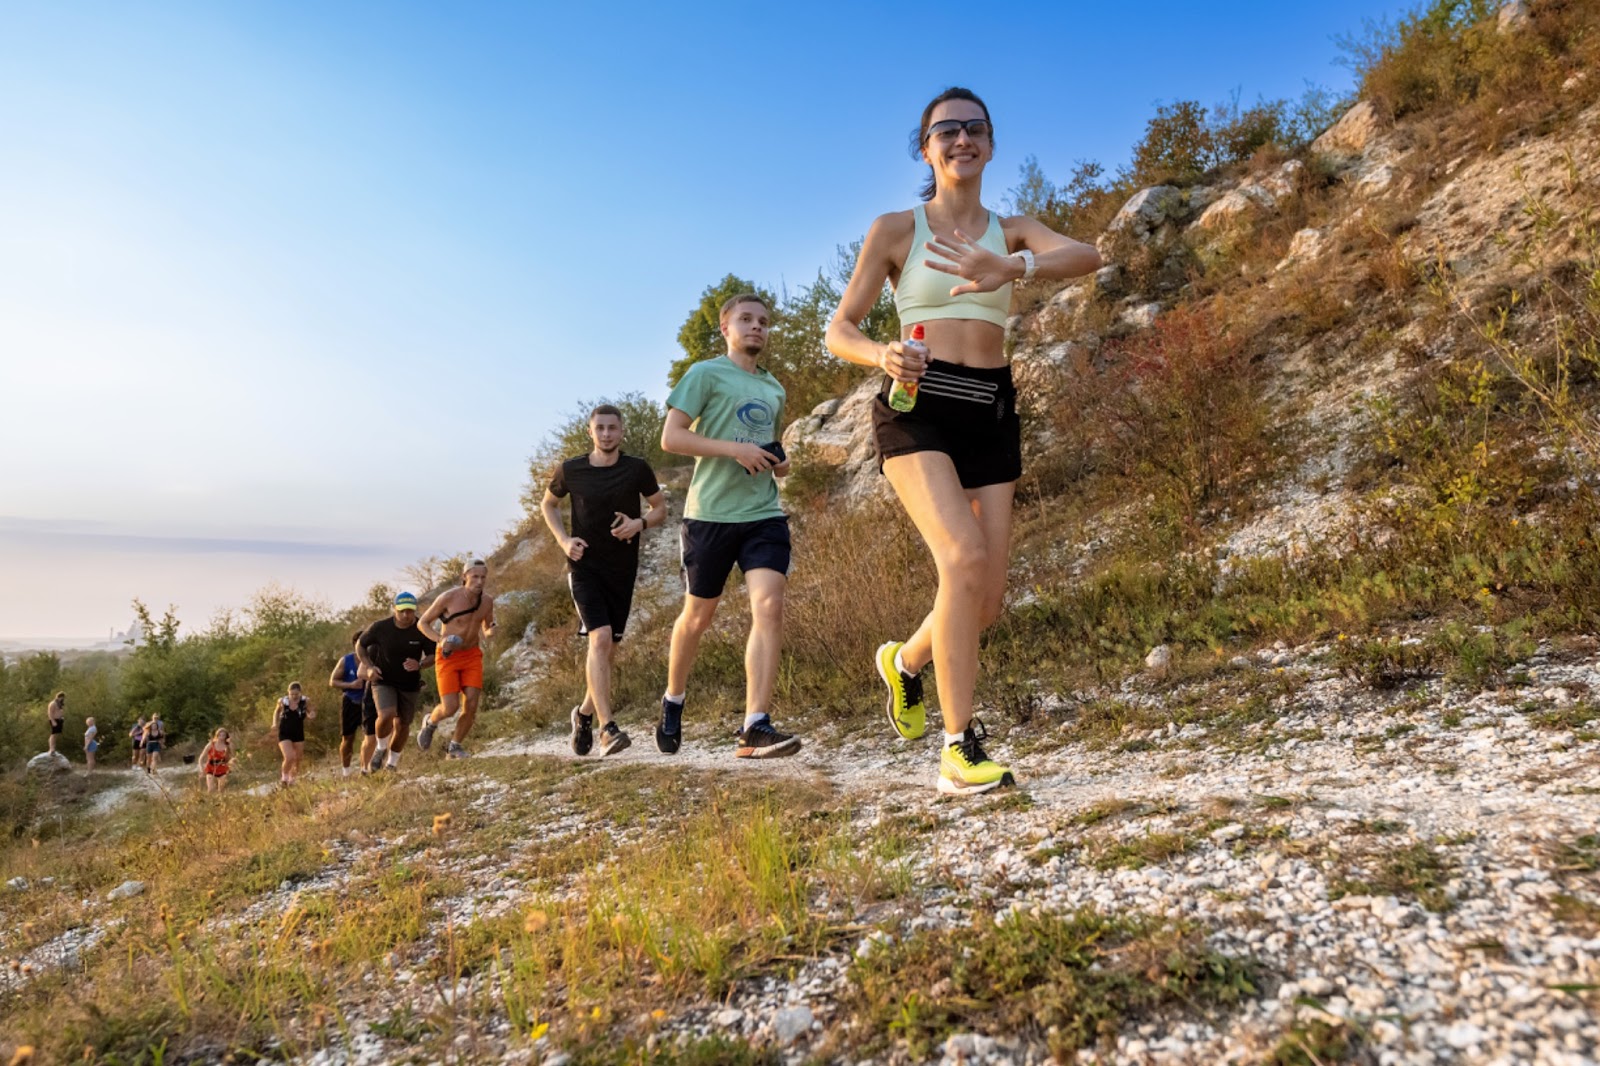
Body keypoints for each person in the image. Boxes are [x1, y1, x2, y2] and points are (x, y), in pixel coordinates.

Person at [825, 87, 1102, 795]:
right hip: (917, 403)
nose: (961, 139)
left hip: (991, 408)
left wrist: (1014, 268)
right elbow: (840, 329)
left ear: (990, 142)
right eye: (945, 130)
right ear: (927, 148)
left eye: (974, 128)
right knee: (962, 555)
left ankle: (905, 663)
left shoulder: (1012, 230)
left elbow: (1087, 254)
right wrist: (880, 355)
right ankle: (959, 747)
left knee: (982, 600)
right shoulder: (895, 229)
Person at [658, 293, 801, 759]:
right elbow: (672, 437)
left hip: (763, 515)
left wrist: (776, 463)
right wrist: (733, 449)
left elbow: (769, 448)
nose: (756, 327)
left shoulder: (775, 388)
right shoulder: (704, 374)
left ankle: (754, 725)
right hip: (710, 515)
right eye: (746, 319)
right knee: (697, 617)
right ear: (725, 328)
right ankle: (674, 698)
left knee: (769, 605)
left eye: (763, 321)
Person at [540, 405, 667, 758]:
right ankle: (607, 729)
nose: (607, 434)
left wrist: (639, 523)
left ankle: (582, 714)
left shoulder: (637, 468)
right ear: (590, 431)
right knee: (599, 638)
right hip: (584, 568)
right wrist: (565, 541)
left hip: (622, 570)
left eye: (613, 428)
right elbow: (548, 505)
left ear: (622, 431)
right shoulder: (570, 470)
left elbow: (660, 509)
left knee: (608, 651)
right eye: (600, 428)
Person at [416, 561, 499, 759]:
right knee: (450, 707)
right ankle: (430, 722)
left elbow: (487, 627)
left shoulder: (487, 601)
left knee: (471, 704)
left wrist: (491, 632)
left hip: (471, 654)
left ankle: (455, 746)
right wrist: (440, 640)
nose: (479, 581)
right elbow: (422, 623)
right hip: (448, 657)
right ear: (464, 578)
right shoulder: (448, 598)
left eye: (483, 577)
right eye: (475, 577)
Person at [355, 592, 437, 773]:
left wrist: (421, 664)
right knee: (386, 714)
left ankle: (391, 764)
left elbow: (433, 655)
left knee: (402, 725)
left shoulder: (421, 627)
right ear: (394, 610)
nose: (407, 615)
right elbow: (360, 645)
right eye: (402, 611)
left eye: (410, 611)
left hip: (409, 683)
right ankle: (380, 748)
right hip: (384, 680)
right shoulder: (380, 627)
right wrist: (369, 667)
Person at [329, 632, 370, 776]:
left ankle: (366, 769)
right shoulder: (346, 661)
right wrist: (351, 684)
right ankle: (346, 772)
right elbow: (333, 681)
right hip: (351, 702)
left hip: (370, 701)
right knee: (348, 738)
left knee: (371, 736)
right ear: (355, 644)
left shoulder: (373, 659)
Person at [273, 682, 315, 787]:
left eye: (296, 694)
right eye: (292, 694)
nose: (294, 696)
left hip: (298, 731)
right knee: (289, 756)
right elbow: (276, 712)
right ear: (288, 693)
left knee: (298, 758)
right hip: (284, 731)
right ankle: (284, 778)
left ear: (300, 693)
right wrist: (274, 723)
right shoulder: (282, 701)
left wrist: (311, 715)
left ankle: (292, 779)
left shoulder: (305, 701)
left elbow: (311, 711)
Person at [199, 728, 233, 793]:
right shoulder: (211, 745)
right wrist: (201, 768)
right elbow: (201, 758)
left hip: (222, 768)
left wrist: (229, 746)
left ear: (226, 737)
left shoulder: (227, 746)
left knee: (221, 791)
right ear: (217, 736)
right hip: (211, 768)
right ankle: (210, 802)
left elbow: (231, 757)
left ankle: (220, 802)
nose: (221, 737)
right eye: (220, 735)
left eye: (223, 735)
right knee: (211, 789)